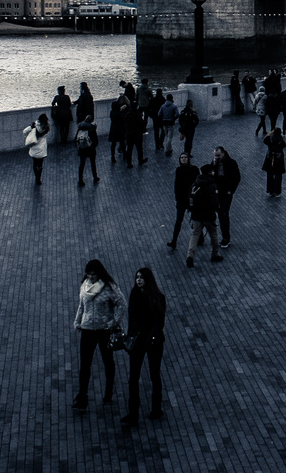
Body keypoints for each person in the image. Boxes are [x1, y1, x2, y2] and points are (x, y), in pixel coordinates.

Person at [72, 260, 125, 410]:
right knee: (85, 365)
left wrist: (113, 322)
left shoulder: (109, 287)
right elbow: (81, 305)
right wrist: (77, 321)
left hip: (104, 331)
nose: (90, 276)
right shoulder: (85, 285)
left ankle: (108, 391)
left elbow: (122, 304)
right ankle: (82, 396)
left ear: (99, 273)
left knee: (108, 361)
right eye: (88, 273)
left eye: (93, 274)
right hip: (87, 329)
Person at [123, 267, 166, 427]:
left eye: (141, 277)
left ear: (148, 279)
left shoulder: (158, 297)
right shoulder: (134, 295)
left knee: (154, 374)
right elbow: (131, 316)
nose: (138, 280)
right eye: (137, 277)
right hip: (138, 342)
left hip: (153, 342)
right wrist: (130, 336)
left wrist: (151, 337)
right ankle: (133, 412)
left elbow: (159, 321)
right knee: (133, 378)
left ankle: (156, 408)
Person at [185, 167, 223, 266]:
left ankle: (190, 256)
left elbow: (190, 197)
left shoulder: (196, 183)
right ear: (210, 172)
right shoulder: (211, 185)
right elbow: (215, 202)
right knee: (213, 235)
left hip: (196, 215)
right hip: (208, 215)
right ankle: (214, 254)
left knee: (195, 235)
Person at [168, 152, 200, 248]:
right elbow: (176, 184)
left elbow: (197, 183)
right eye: (182, 157)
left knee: (196, 219)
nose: (183, 159)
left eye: (185, 157)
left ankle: (200, 237)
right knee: (179, 220)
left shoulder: (194, 169)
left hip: (191, 198)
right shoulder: (179, 170)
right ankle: (174, 241)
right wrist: (177, 197)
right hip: (182, 199)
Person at [214, 147, 241, 247]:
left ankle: (226, 237)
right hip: (217, 192)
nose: (217, 157)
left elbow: (237, 177)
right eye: (215, 155)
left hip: (226, 193)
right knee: (219, 213)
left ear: (223, 153)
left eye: (218, 155)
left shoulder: (231, 163)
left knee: (224, 213)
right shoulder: (215, 163)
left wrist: (231, 190)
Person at [24, 113, 48, 184]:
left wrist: (29, 135)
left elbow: (24, 131)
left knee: (35, 163)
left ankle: (36, 177)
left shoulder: (34, 126)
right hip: (42, 149)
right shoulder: (46, 128)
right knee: (40, 164)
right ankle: (39, 178)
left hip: (34, 148)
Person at [76, 117, 101, 185]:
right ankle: (95, 177)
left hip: (82, 149)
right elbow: (96, 141)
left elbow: (76, 138)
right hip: (90, 149)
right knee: (93, 163)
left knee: (82, 164)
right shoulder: (92, 129)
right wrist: (93, 146)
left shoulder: (80, 128)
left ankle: (80, 179)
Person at [263, 128, 286, 197]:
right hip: (278, 160)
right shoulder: (280, 140)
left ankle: (270, 190)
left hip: (270, 158)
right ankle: (277, 191)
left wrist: (269, 134)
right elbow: (284, 145)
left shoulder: (271, 140)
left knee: (270, 175)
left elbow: (265, 140)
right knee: (278, 176)